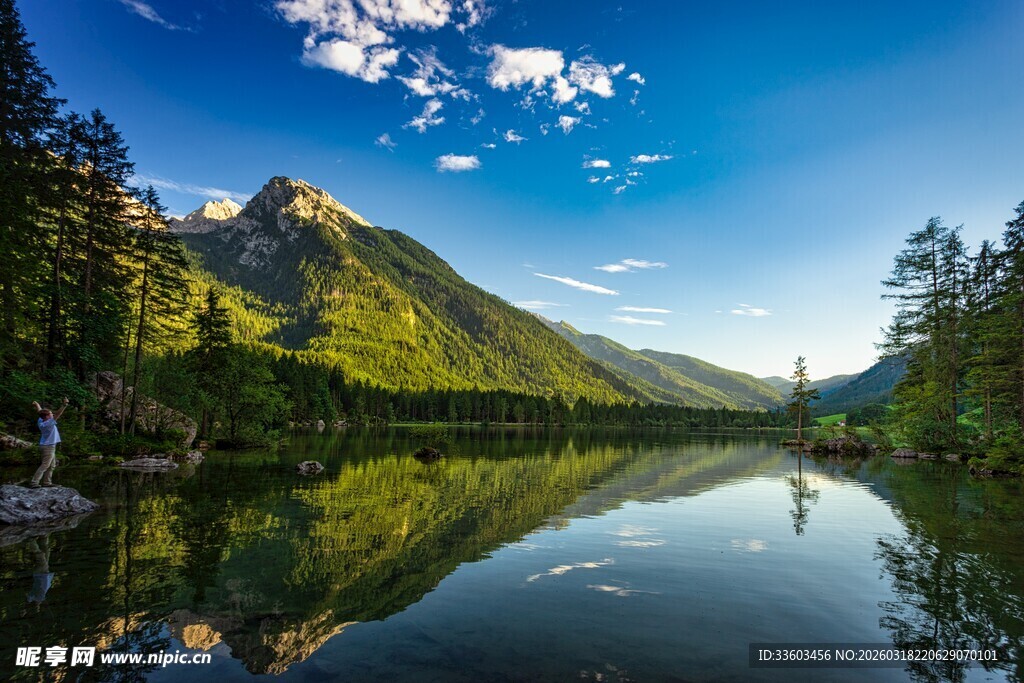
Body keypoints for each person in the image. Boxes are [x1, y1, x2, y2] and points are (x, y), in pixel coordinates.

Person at [28, 397, 69, 488]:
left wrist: (37, 404)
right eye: (50, 414)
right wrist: (64, 405)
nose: (52, 414)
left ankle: (47, 482)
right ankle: (34, 482)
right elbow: (58, 414)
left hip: (47, 445)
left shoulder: (41, 420)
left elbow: (40, 411)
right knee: (45, 465)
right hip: (48, 447)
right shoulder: (48, 424)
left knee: (52, 465)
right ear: (47, 417)